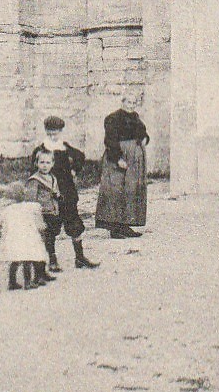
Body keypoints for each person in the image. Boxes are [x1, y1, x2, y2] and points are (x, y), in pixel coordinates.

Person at [31, 115, 98, 269]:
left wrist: (74, 170)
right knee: (51, 225)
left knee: (74, 223)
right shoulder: (41, 150)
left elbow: (80, 157)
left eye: (55, 133)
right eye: (50, 133)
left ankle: (80, 257)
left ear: (61, 131)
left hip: (67, 192)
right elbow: (33, 171)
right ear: (46, 132)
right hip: (49, 195)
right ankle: (52, 259)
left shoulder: (65, 148)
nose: (53, 136)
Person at [94, 101, 149, 239]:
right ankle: (114, 228)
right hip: (119, 158)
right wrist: (118, 158)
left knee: (130, 190)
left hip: (134, 160)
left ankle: (126, 225)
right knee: (116, 191)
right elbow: (110, 140)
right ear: (123, 102)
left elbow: (143, 132)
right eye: (128, 102)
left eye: (134, 102)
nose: (131, 105)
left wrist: (144, 139)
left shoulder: (135, 117)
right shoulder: (113, 118)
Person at [1, 181, 50, 290]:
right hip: (28, 237)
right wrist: (42, 230)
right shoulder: (32, 207)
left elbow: (5, 227)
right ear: (24, 194)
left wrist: (4, 239)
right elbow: (39, 224)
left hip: (14, 238)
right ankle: (28, 282)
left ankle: (12, 282)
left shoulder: (7, 210)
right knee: (28, 259)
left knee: (15, 261)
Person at [25, 149, 62, 276]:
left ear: (52, 164)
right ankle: (49, 261)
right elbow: (30, 199)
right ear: (36, 163)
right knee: (46, 238)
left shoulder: (52, 178)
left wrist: (57, 195)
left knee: (52, 236)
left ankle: (48, 260)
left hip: (53, 212)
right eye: (41, 162)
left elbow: (56, 192)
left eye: (47, 162)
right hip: (42, 214)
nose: (45, 165)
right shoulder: (34, 180)